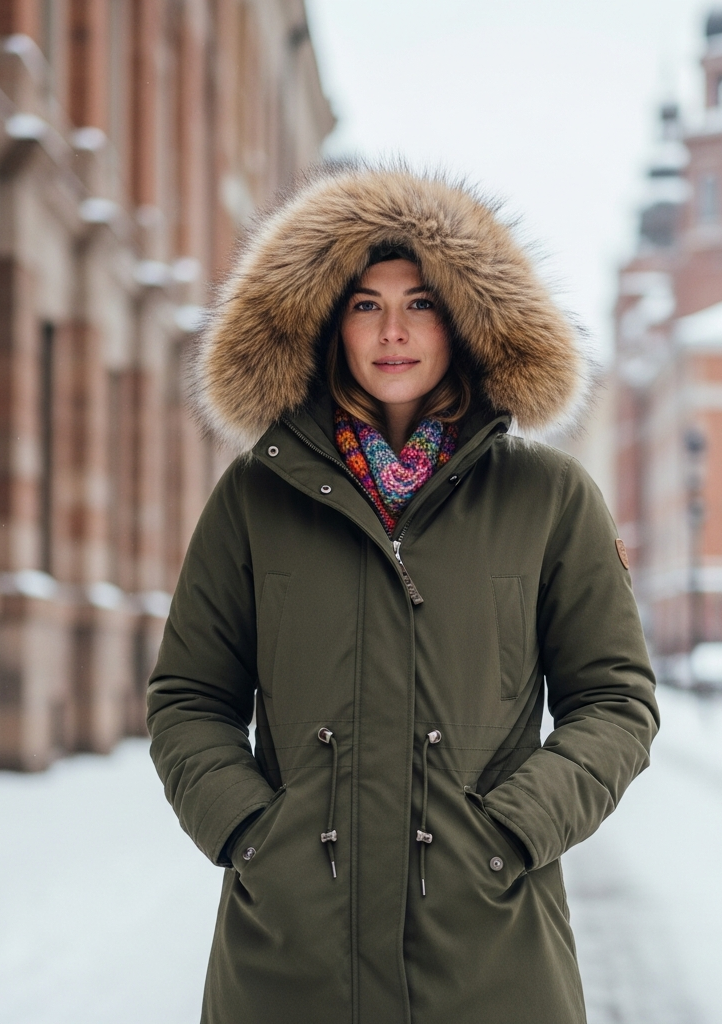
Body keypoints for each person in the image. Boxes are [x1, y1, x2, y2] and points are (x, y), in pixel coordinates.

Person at [147, 165, 659, 1024]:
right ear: (324, 324)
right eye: (364, 304)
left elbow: (614, 700)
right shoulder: (254, 496)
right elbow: (189, 698)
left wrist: (515, 830)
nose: (393, 331)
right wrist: (250, 836)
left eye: (420, 303)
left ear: (462, 320)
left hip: (490, 960)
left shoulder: (548, 497)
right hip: (290, 962)